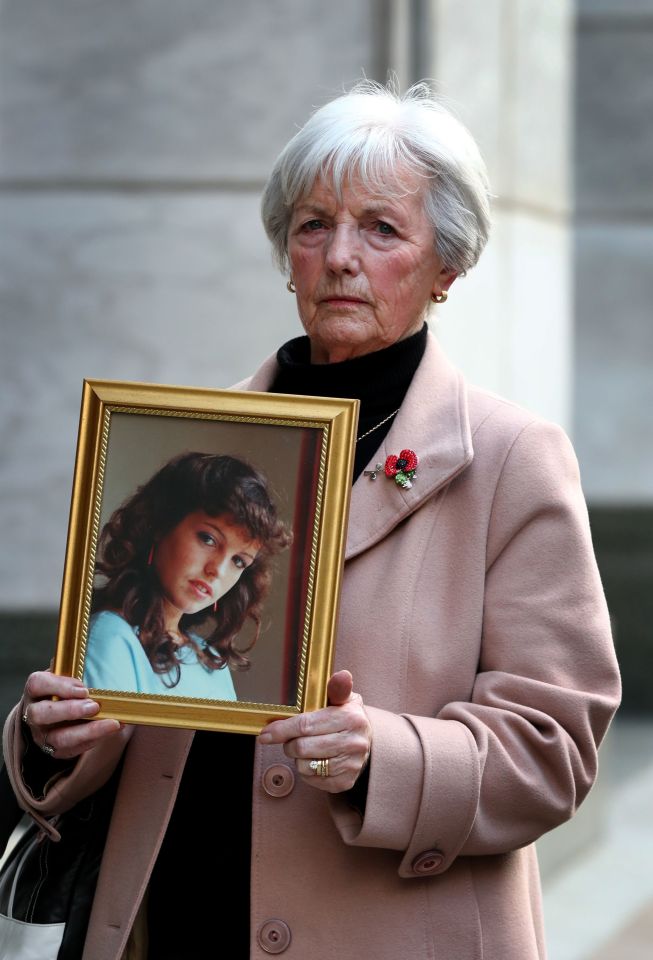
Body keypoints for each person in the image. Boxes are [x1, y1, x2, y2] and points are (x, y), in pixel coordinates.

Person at [4, 80, 620, 960]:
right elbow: (130, 687)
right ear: (285, 254)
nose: (338, 257)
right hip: (172, 921)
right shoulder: (189, 443)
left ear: (446, 267)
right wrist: (55, 737)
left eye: (380, 228)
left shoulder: (510, 458)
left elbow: (552, 747)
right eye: (311, 226)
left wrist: (386, 756)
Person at [83, 451, 291, 701]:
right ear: (161, 524)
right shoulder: (111, 637)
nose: (217, 570)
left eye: (238, 561)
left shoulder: (211, 661)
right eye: (208, 539)